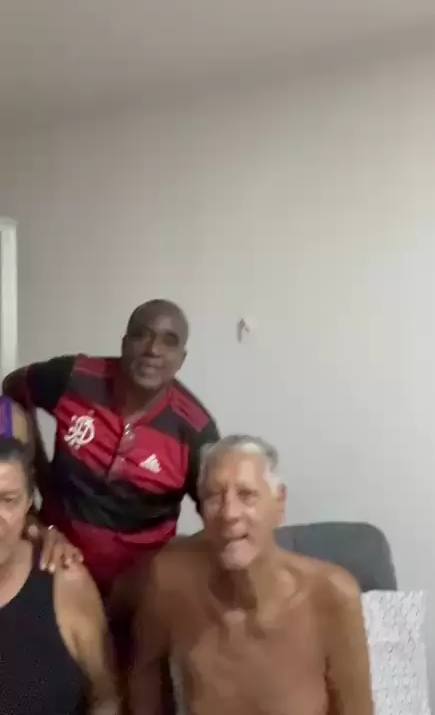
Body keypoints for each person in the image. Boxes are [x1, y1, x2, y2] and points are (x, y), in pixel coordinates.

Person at [130, 435, 374, 715]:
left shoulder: (332, 595)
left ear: (279, 503)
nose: (229, 513)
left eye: (246, 495)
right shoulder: (169, 581)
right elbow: (143, 683)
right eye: (213, 496)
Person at [3, 299, 220, 597]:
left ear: (181, 359)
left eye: (168, 342)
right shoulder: (75, 378)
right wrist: (37, 474)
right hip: (57, 566)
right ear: (124, 343)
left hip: (137, 592)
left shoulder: (195, 431)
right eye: (142, 335)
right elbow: (14, 388)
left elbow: (219, 517)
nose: (153, 349)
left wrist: (174, 565)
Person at [0, 397, 119, 715]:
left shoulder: (65, 580)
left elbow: (106, 696)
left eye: (8, 500)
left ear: (28, 504)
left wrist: (44, 531)